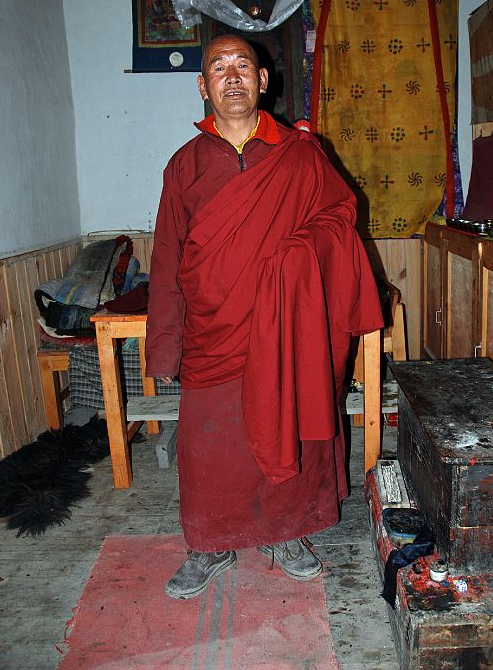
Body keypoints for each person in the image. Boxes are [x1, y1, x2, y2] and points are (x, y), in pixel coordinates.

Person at [145, 34, 383, 600]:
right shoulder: (185, 164)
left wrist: (298, 254)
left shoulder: (299, 153)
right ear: (203, 86)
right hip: (213, 331)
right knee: (212, 448)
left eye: (242, 66)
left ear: (263, 81)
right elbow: (167, 256)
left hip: (288, 330)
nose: (231, 77)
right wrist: (165, 344)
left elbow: (341, 215)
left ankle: (288, 534)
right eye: (218, 68)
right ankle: (211, 543)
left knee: (289, 428)